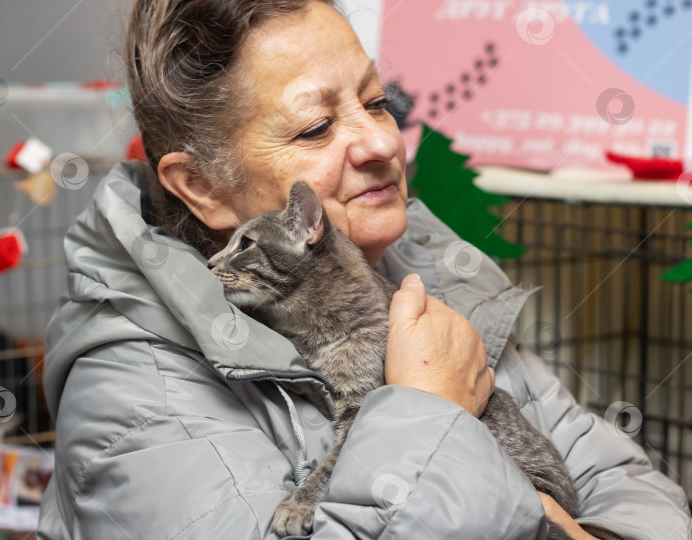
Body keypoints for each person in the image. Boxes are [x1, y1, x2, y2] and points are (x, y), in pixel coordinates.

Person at [37, 1, 692, 538]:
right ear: (202, 185)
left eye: (377, 101)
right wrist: (430, 413)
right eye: (317, 127)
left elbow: (639, 499)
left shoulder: (428, 274)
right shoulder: (130, 391)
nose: (384, 142)